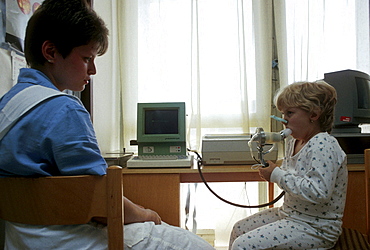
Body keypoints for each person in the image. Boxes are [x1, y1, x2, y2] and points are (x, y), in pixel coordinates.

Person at [0, 0, 214, 249]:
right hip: (71, 240)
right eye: (86, 58)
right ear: (50, 52)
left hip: (21, 240)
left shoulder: (7, 105)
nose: (93, 70)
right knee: (197, 245)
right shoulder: (65, 108)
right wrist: (146, 214)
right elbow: (103, 203)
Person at [229, 81, 347, 249]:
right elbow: (292, 178)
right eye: (283, 114)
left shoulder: (324, 144)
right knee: (239, 229)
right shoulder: (294, 142)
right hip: (290, 214)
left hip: (316, 227)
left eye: (290, 113)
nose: (283, 120)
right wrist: (274, 173)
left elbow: (319, 192)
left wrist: (276, 175)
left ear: (313, 114)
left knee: (243, 245)